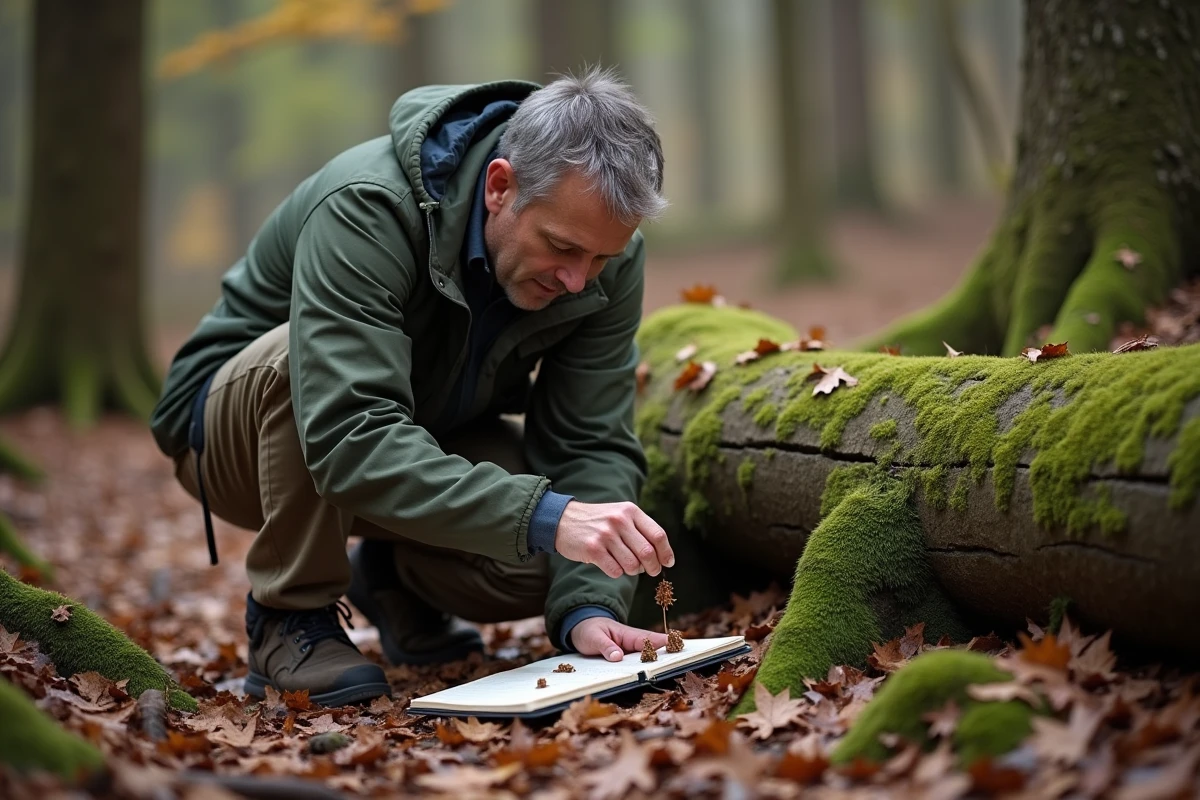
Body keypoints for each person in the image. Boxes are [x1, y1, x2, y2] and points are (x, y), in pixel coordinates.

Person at [149, 68, 676, 706]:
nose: (577, 279)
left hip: (419, 427)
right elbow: (347, 433)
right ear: (500, 186)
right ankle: (288, 617)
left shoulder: (602, 261)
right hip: (232, 436)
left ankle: (395, 579)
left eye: (599, 259)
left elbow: (589, 440)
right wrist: (545, 514)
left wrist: (588, 606)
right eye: (561, 247)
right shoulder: (368, 205)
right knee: (304, 362)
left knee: (539, 562)